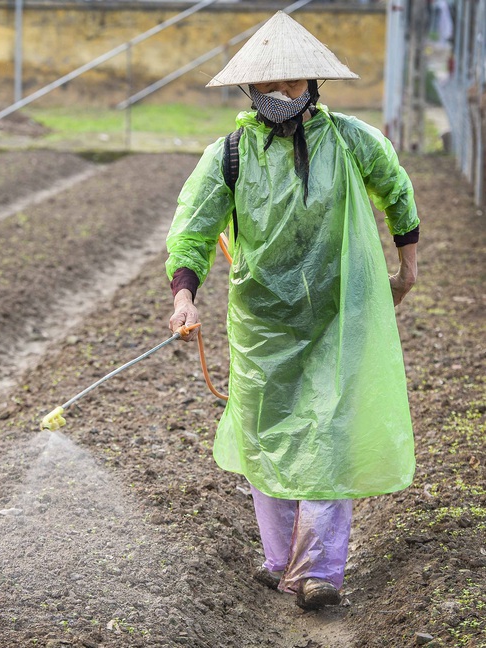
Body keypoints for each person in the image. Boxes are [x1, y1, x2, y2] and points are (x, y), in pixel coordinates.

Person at [165, 11, 419, 611]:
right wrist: (183, 296)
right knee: (267, 436)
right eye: (269, 86)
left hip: (340, 310)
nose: (282, 95)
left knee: (329, 432)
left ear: (315, 85)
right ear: (250, 90)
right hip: (262, 322)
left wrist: (409, 267)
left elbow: (396, 189)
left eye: (294, 84)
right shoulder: (228, 156)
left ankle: (320, 571)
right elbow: (192, 233)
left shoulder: (352, 140)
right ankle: (281, 560)